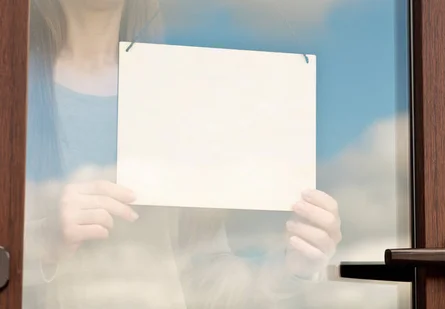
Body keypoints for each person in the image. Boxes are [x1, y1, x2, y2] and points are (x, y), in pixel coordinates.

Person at [22, 0, 342, 308]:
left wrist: (292, 269)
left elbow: (204, 274)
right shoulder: (16, 85)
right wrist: (40, 245)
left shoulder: (173, 92)